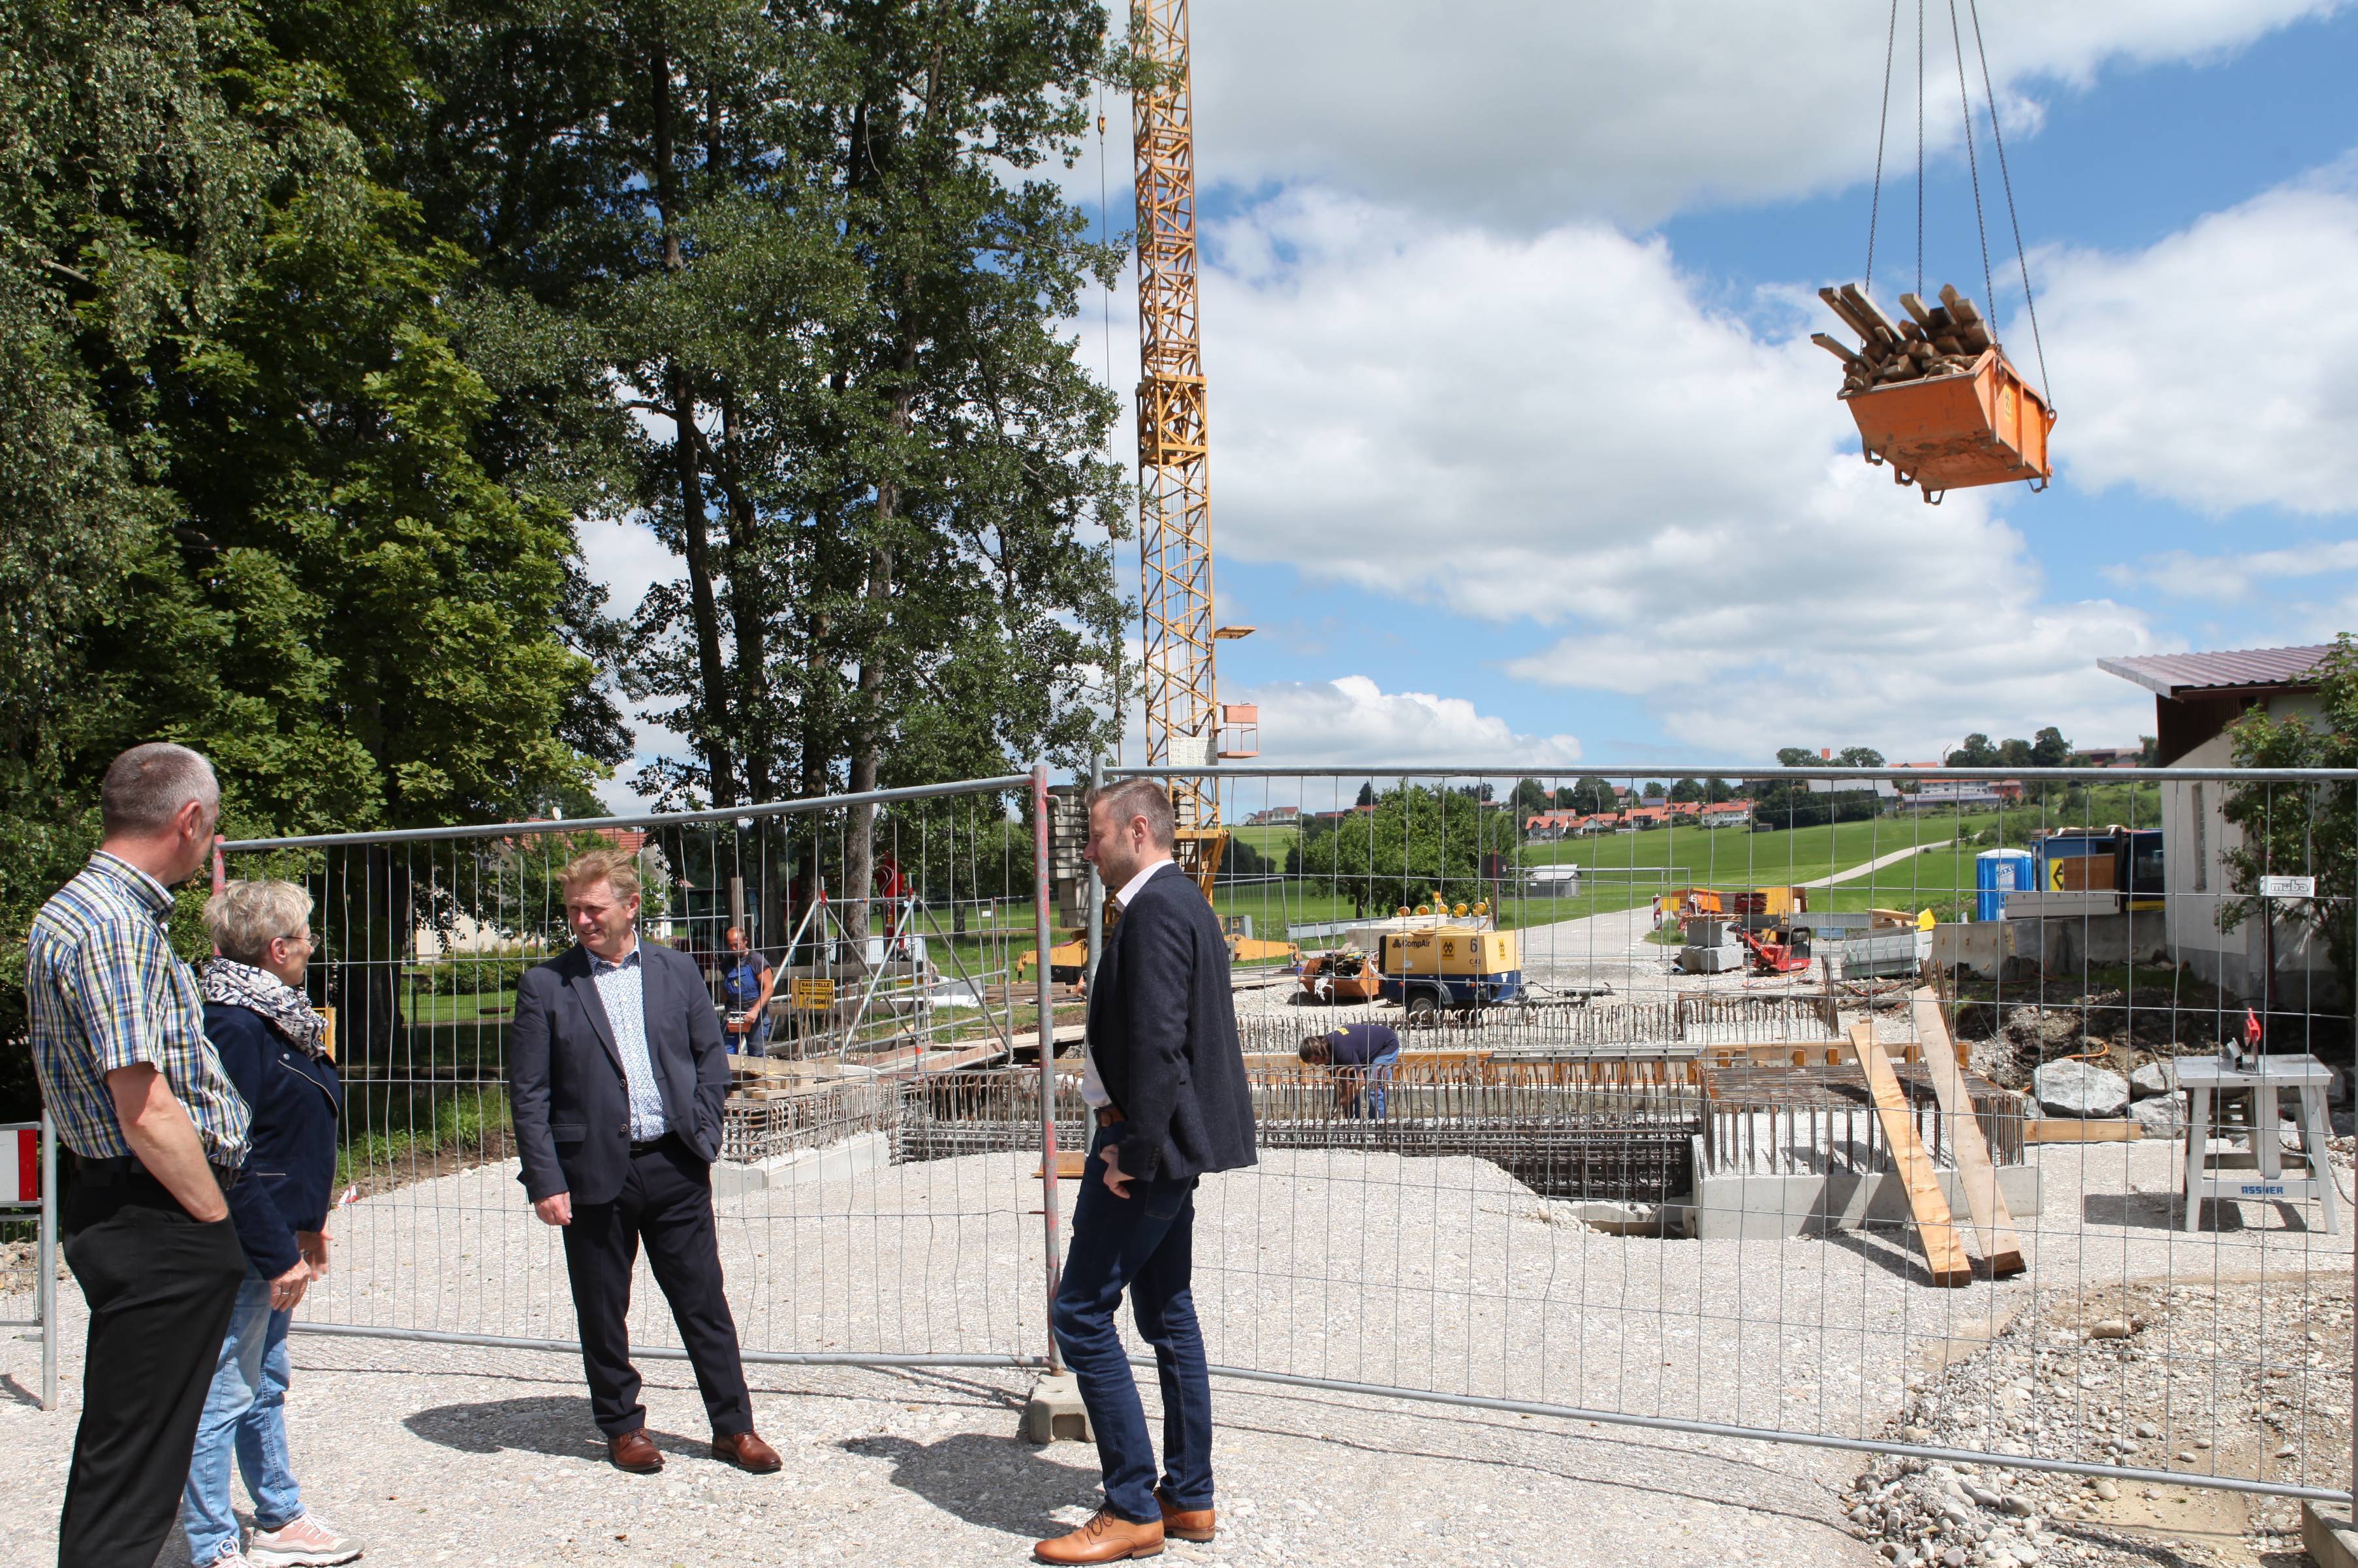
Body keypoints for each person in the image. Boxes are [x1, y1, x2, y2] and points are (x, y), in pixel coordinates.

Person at [25, 742, 253, 1568]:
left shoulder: (73, 910)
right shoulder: (116, 923)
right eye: (214, 828)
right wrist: (215, 1217)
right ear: (188, 819)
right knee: (134, 1464)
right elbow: (145, 1103)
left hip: (126, 1202)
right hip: (154, 1210)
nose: (211, 844)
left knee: (134, 1447)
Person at [1035, 779, 1257, 1565]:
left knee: (1082, 1315)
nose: (1087, 851)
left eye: (1094, 837)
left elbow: (1163, 1045)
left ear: (1137, 828)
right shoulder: (1182, 900)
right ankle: (1188, 1494)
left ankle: (1132, 1504)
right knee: (1166, 1312)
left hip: (1144, 1148)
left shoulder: (1158, 907)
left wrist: (1132, 1150)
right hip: (1162, 1144)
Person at [507, 849, 781, 1477]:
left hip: (675, 1165)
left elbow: (710, 1058)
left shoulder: (677, 971)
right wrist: (545, 1179)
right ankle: (623, 1426)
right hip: (591, 1172)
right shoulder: (546, 985)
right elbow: (530, 1094)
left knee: (703, 1301)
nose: (581, 920)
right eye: (574, 909)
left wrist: (705, 1134)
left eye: (593, 908)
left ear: (631, 907)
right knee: (603, 1307)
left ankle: (733, 1427)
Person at [180, 879, 361, 1568]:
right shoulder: (233, 1023)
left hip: (280, 1231)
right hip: (249, 1236)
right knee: (226, 1386)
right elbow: (229, 1150)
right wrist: (273, 1245)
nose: (313, 947)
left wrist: (308, 1226)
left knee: (264, 1376)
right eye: (308, 935)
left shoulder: (275, 1013)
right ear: (279, 947)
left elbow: (294, 1133)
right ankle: (211, 1543)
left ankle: (280, 1512)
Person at [1297, 1022, 1402, 1119]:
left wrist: (1345, 1100)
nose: (1317, 1064)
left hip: (1386, 1044)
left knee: (1374, 1085)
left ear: (1319, 1051)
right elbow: (1344, 1082)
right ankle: (1356, 1120)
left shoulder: (1342, 1049)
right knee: (1352, 1085)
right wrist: (1341, 1102)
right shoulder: (1327, 1055)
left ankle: (1377, 1124)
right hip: (1364, 1053)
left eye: (1316, 1060)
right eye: (1314, 1063)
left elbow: (1360, 1081)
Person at [718, 926, 776, 1055]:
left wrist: (755, 1011)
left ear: (745, 941)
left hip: (754, 1014)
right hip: (733, 1014)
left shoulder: (757, 961)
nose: (733, 949)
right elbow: (726, 987)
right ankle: (732, 1076)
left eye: (736, 945)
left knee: (756, 1055)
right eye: (730, 945)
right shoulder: (727, 963)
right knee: (726, 1053)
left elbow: (769, 989)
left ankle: (755, 1076)